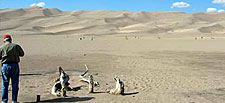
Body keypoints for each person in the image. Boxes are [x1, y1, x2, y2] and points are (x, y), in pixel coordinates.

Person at [0, 34, 24, 103]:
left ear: (4, 40)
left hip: (5, 66)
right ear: (10, 40)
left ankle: (4, 101)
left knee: (5, 84)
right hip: (14, 65)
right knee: (15, 84)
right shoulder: (16, 46)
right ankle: (14, 100)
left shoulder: (2, 47)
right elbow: (22, 54)